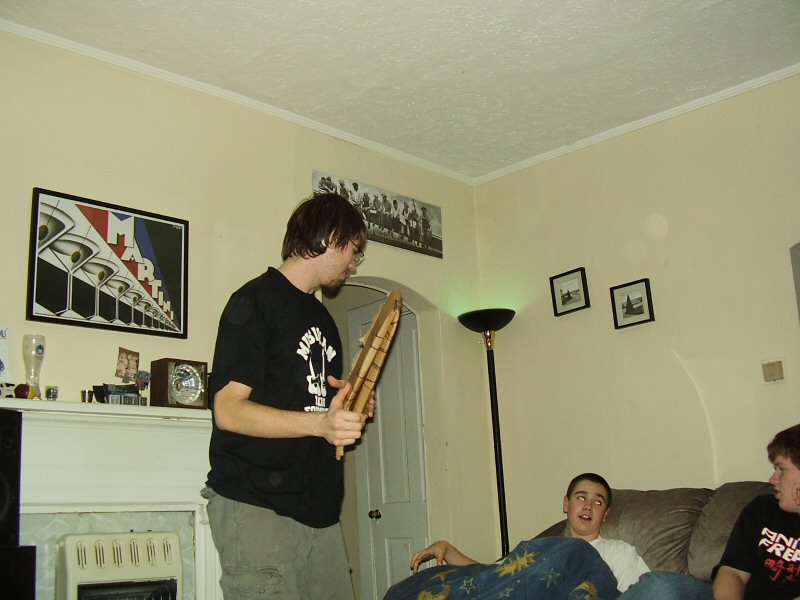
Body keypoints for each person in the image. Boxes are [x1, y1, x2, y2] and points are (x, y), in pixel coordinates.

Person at [202, 191, 372, 600]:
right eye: (353, 251)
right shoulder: (254, 302)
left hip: (320, 512)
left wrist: (349, 409)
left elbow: (315, 403)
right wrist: (321, 423)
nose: (354, 264)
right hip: (257, 508)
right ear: (329, 238)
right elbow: (228, 410)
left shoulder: (323, 320)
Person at [410, 473, 649, 594]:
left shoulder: (618, 552)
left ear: (605, 515)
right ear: (566, 504)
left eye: (597, 502)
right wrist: (447, 549)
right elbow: (493, 576)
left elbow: (639, 595)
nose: (588, 506)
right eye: (581, 498)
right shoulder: (542, 549)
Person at [712, 424, 800, 599]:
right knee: (662, 584)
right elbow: (733, 572)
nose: (773, 479)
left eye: (781, 469)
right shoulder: (763, 509)